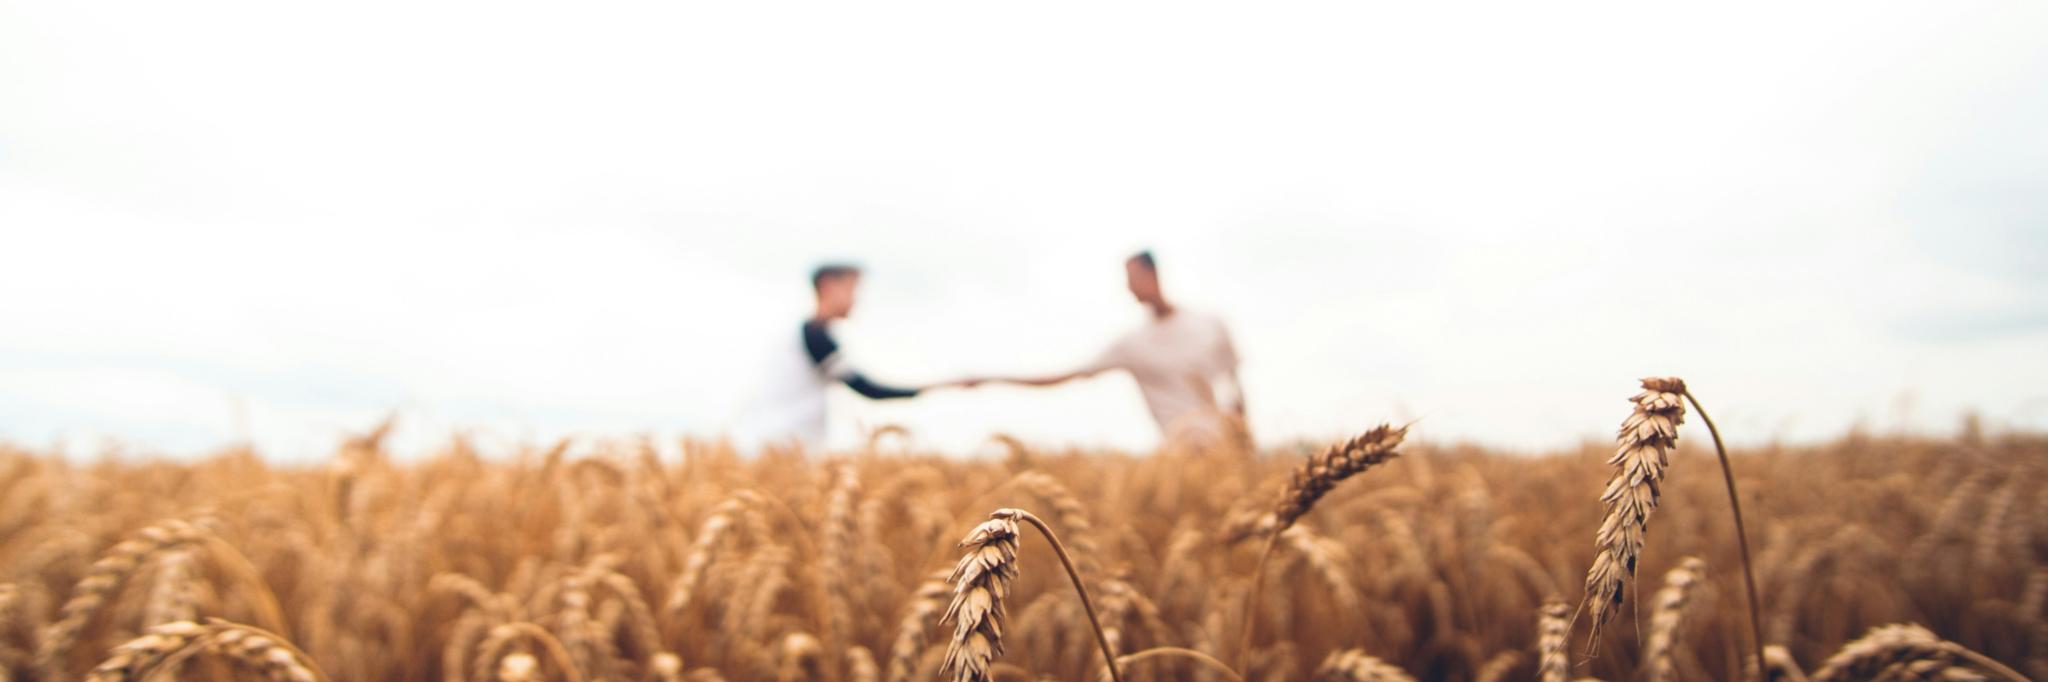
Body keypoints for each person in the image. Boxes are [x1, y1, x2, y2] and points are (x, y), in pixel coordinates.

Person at [978, 251, 1247, 445]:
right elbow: (1067, 375)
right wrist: (991, 378)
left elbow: (1234, 383)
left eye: (1131, 277)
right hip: (1180, 455)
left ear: (1151, 273)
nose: (1128, 286)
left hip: (1225, 450)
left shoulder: (1210, 324)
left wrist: (1244, 435)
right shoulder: (1132, 344)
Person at [745, 263, 963, 448]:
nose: (856, 299)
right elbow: (867, 389)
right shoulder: (815, 336)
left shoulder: (806, 335)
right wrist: (941, 386)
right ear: (827, 286)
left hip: (779, 444)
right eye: (852, 289)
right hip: (782, 446)